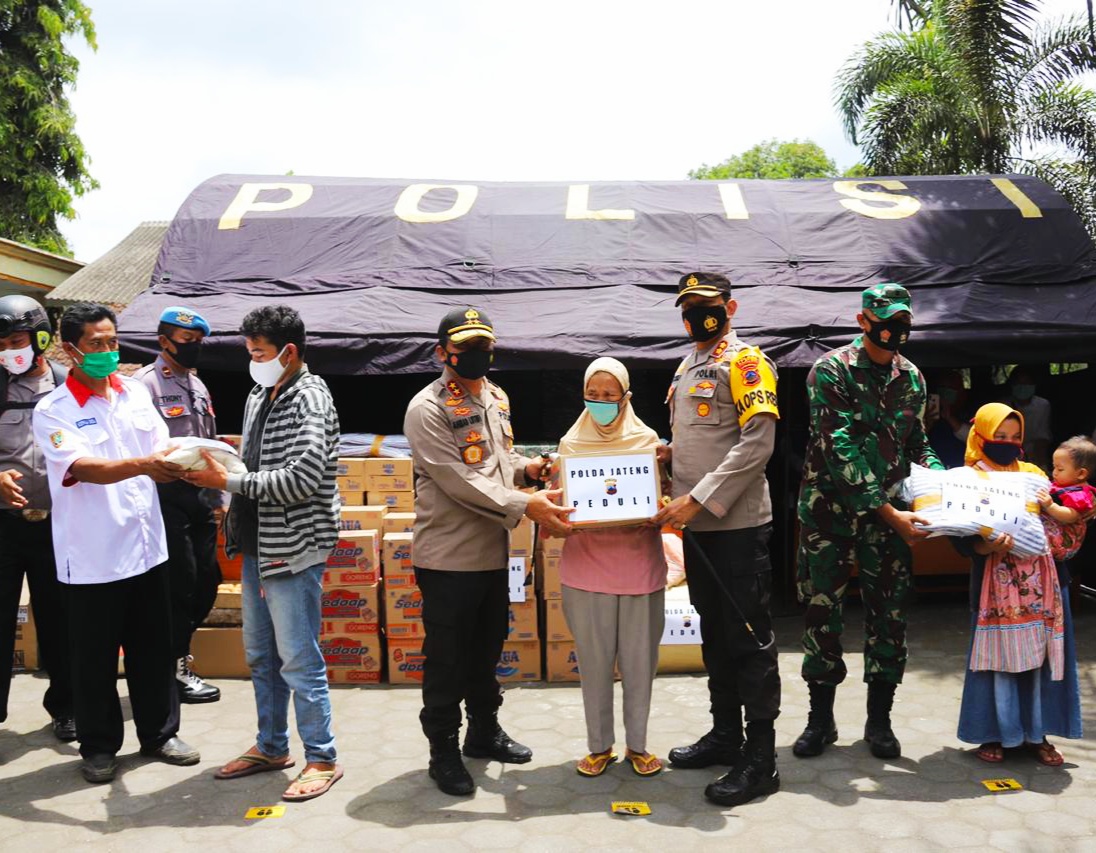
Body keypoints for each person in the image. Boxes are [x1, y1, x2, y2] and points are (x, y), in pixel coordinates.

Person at [403, 306, 574, 796]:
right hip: (448, 557)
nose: (477, 355)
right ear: (442, 353)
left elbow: (496, 461)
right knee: (447, 659)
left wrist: (528, 470)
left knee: (486, 649)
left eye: (484, 346)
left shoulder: (496, 397)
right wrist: (526, 504)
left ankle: (483, 732)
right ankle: (443, 751)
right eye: (466, 347)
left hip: (494, 553)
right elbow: (457, 479)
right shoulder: (427, 408)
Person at [32, 302, 199, 784]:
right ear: (71, 350)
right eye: (96, 344)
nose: (107, 351)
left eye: (112, 341)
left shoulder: (134, 393)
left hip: (146, 545)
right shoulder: (54, 409)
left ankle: (160, 733)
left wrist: (189, 458)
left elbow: (162, 446)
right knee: (94, 658)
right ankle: (100, 746)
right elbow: (81, 468)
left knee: (153, 647)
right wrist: (145, 466)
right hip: (94, 555)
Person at [184, 305, 343, 802]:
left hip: (293, 549)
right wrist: (226, 462)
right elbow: (256, 463)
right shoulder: (260, 394)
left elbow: (302, 479)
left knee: (298, 659)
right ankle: (272, 746)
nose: (253, 361)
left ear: (288, 352)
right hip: (258, 546)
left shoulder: (310, 398)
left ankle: (322, 757)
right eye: (250, 352)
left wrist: (228, 480)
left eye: (259, 353)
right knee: (260, 655)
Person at [794, 283, 942, 762]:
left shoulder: (912, 377)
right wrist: (890, 512)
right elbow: (839, 447)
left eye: (902, 322)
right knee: (823, 615)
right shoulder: (830, 370)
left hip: (889, 519)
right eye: (885, 321)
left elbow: (917, 442)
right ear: (863, 321)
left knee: (889, 616)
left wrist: (944, 489)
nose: (894, 330)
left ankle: (879, 720)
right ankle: (820, 719)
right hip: (830, 514)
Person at [651, 272, 781, 808]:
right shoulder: (687, 366)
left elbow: (758, 444)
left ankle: (762, 760)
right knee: (715, 637)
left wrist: (698, 498)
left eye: (706, 305)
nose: (696, 315)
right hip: (700, 529)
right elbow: (703, 439)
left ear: (730, 307)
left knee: (749, 640)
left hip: (736, 526)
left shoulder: (746, 363)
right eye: (688, 307)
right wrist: (667, 455)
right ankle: (726, 735)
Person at [953, 404, 1082, 765]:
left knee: (1043, 657)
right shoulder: (967, 479)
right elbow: (960, 539)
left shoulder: (1034, 475)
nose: (1008, 443)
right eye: (999, 436)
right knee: (996, 660)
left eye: (1015, 437)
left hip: (1045, 584)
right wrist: (988, 546)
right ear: (980, 435)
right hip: (993, 586)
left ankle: (1039, 735)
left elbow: (1067, 514)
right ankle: (995, 734)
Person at [557, 357, 667, 778]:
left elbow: (661, 493)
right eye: (593, 394)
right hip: (585, 570)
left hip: (640, 567)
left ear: (626, 397)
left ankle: (637, 745)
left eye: (609, 395)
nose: (601, 402)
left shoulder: (648, 441)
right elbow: (560, 501)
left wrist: (659, 506)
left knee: (640, 665)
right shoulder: (569, 445)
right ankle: (599, 746)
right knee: (594, 665)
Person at [134, 307, 222, 704]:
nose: (194, 348)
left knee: (207, 582)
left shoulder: (198, 385)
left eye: (199, 342)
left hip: (200, 496)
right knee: (179, 585)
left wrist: (218, 498)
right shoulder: (144, 385)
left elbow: (210, 442)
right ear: (163, 341)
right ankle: (175, 667)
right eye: (187, 341)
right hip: (164, 496)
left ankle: (171, 660)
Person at [0, 295, 74, 742]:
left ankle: (66, 707)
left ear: (42, 338)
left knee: (61, 620)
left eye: (16, 341)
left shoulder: (68, 385)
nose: (8, 351)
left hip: (57, 525)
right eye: (2, 344)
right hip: (3, 526)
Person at [1003, 366, 1052, 473]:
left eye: (1027, 383)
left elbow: (1042, 436)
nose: (1023, 387)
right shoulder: (1003, 405)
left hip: (1035, 456)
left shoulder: (1042, 405)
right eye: (1018, 383)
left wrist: (1043, 465)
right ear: (1012, 385)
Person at [924, 370, 973, 469]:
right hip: (934, 467)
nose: (945, 393)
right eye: (942, 388)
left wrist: (950, 418)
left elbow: (973, 439)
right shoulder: (928, 413)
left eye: (950, 389)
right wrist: (928, 423)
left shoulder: (971, 412)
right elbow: (916, 443)